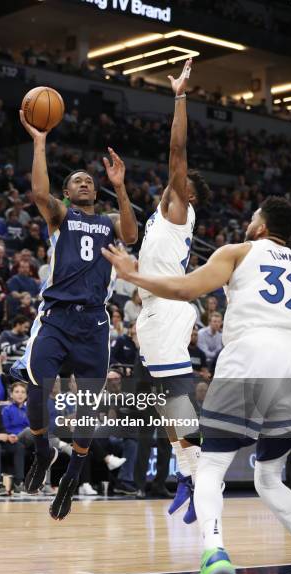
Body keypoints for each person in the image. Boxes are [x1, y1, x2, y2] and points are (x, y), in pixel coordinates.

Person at [102, 195, 291, 574]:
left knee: (211, 465)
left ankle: (214, 553)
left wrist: (134, 276)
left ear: (260, 227)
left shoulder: (239, 251)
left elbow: (184, 288)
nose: (248, 222)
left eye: (252, 217)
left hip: (250, 355)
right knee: (270, 476)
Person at [10, 109, 137, 520]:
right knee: (35, 383)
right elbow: (39, 194)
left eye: (89, 179)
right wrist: (41, 142)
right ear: (67, 194)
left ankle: (71, 477)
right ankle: (43, 449)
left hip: (95, 323)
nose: (84, 182)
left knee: (87, 408)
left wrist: (120, 187)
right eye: (76, 181)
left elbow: (133, 234)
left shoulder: (109, 220)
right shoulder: (61, 216)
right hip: (57, 317)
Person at [123, 59, 210, 523]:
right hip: (155, 312)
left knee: (178, 396)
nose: (171, 182)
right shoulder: (160, 216)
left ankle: (200, 481)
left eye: (180, 183)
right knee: (164, 402)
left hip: (170, 308)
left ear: (187, 196)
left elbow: (178, 149)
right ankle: (187, 474)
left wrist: (179, 96)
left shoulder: (180, 210)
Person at [1, 381, 31, 493]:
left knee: (42, 442)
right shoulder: (7, 410)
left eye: (23, 392)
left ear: (27, 395)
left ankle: (43, 482)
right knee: (30, 432)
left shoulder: (29, 410)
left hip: (27, 439)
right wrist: (10, 435)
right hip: (13, 438)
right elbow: (4, 428)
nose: (20, 394)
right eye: (17, 392)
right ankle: (19, 483)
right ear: (11, 394)